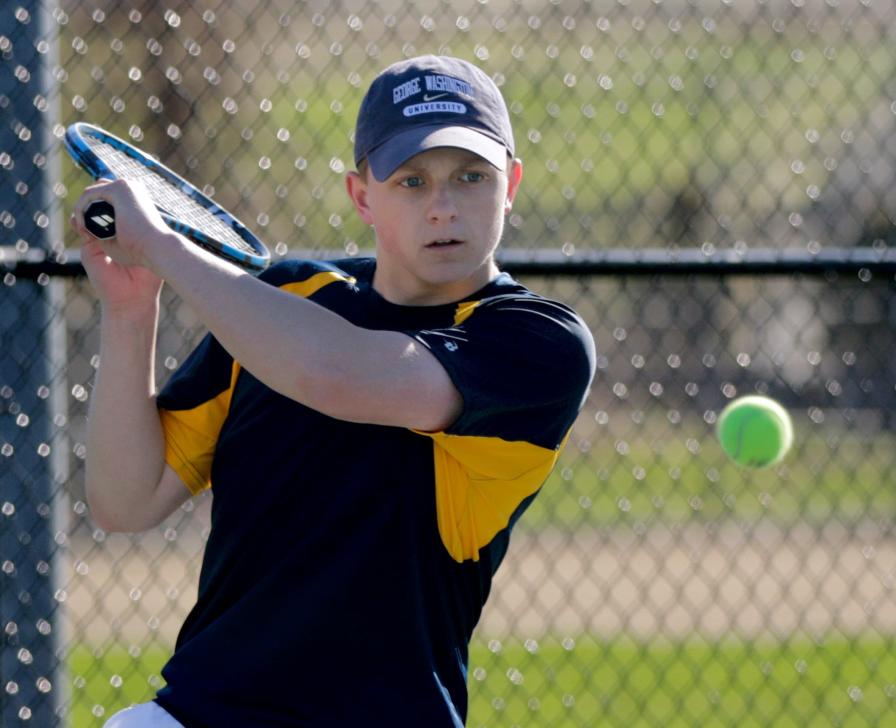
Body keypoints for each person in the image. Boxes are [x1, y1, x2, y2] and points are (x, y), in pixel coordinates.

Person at [75, 55, 595, 727]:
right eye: (411, 181)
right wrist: (130, 312)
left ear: (512, 184)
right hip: (200, 712)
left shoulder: (536, 342)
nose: (443, 207)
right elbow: (123, 502)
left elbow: (335, 374)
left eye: (471, 177)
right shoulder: (286, 299)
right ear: (361, 195)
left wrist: (166, 248)